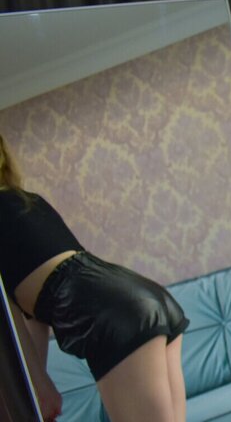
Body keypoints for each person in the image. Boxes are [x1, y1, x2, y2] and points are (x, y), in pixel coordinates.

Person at [0, 134, 189, 422]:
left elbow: (7, 318)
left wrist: (38, 387)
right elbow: (29, 314)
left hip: (113, 314)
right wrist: (37, 386)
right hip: (143, 296)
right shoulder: (26, 202)